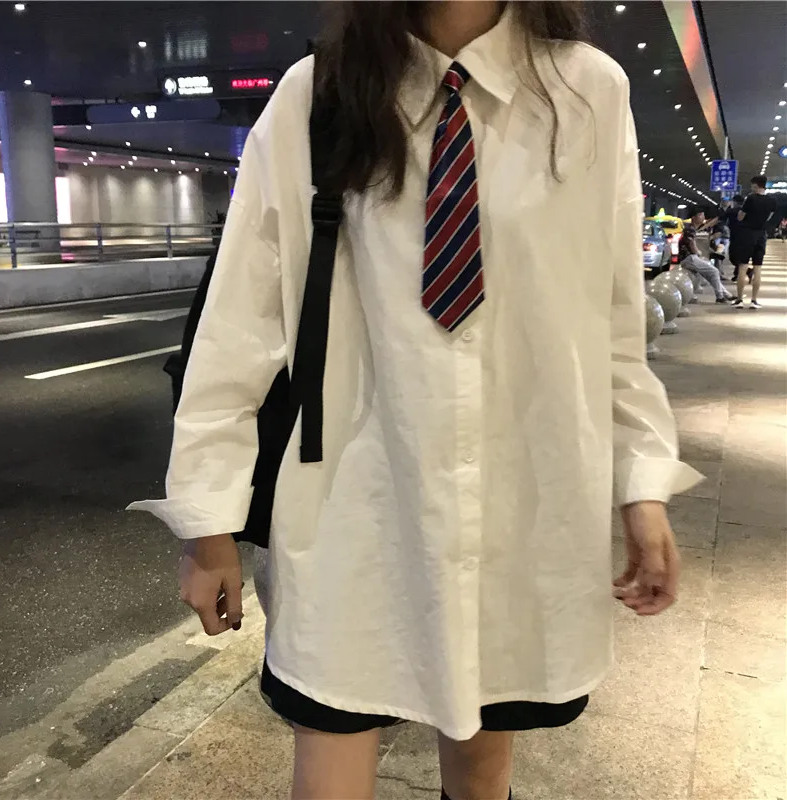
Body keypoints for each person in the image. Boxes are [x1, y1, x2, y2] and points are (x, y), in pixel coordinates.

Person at [129, 4, 702, 799]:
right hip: (352, 500)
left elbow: (609, 316)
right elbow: (238, 324)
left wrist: (642, 482)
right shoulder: (320, 95)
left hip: (522, 495)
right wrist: (207, 526)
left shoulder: (585, 92)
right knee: (332, 735)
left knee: (483, 758)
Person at [732, 176, 777, 309]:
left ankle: (740, 300)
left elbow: (740, 217)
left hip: (747, 234)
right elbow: (769, 217)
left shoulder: (750, 198)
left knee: (743, 267)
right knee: (758, 268)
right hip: (761, 235)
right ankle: (754, 300)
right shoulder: (772, 200)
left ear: (756, 185)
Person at [678, 208, 734, 303]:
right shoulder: (689, 229)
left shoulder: (693, 228)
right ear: (694, 217)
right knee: (714, 271)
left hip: (691, 258)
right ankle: (720, 296)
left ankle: (726, 294)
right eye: (701, 215)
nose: (703, 217)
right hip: (689, 258)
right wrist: (698, 252)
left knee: (710, 273)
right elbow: (692, 244)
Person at [724, 194, 745, 281]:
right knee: (740, 256)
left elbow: (719, 218)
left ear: (735, 202)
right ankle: (739, 273)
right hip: (745, 236)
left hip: (735, 236)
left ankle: (744, 272)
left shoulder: (731, 211)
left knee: (733, 256)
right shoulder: (746, 211)